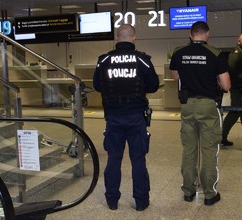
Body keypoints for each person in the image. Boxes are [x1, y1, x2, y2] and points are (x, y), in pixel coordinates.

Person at [93, 24, 159, 211]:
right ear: (134, 38)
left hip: (113, 117)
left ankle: (112, 201)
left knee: (113, 159)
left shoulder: (104, 60)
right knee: (138, 160)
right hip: (136, 117)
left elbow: (98, 85)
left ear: (116, 37)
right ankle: (141, 201)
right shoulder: (143, 60)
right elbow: (153, 85)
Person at [169, 21, 231, 206]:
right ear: (207, 34)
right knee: (209, 150)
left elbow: (175, 76)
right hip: (208, 107)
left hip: (187, 106)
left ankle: (188, 191)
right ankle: (210, 194)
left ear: (191, 35)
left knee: (189, 150)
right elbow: (226, 85)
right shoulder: (216, 54)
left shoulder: (179, 52)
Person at [221, 34, 242, 146]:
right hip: (238, 89)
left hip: (238, 88)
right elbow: (232, 70)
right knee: (235, 112)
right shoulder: (236, 53)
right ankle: (222, 136)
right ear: (238, 40)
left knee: (235, 113)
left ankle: (222, 136)